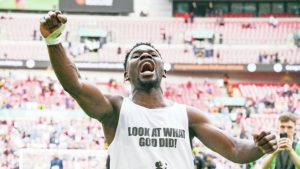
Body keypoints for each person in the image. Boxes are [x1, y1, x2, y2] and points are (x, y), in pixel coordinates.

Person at [40, 11, 278, 169]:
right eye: (136, 55)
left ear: (163, 70)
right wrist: (54, 41)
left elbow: (235, 149)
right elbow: (76, 85)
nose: (145, 54)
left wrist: (258, 147)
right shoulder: (114, 109)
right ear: (126, 74)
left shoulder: (188, 116)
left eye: (153, 54)